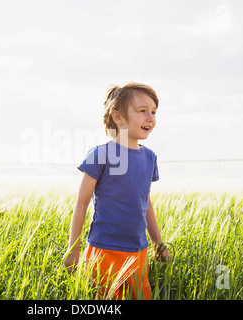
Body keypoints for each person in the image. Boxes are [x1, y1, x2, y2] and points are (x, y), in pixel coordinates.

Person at [64, 81, 170, 300]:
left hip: (137, 250)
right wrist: (73, 249)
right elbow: (81, 202)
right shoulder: (100, 155)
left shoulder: (150, 158)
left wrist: (157, 243)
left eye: (153, 112)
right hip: (103, 250)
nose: (150, 118)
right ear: (118, 117)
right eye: (142, 111)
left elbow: (146, 202)